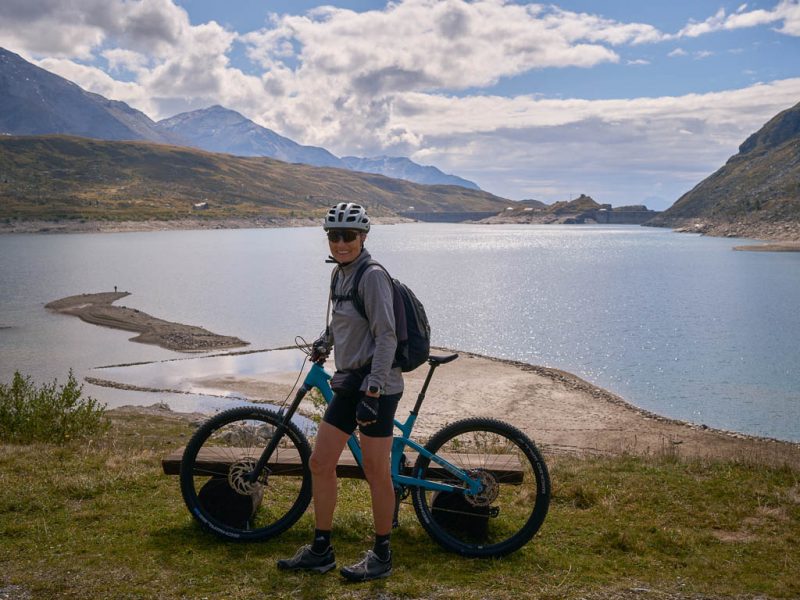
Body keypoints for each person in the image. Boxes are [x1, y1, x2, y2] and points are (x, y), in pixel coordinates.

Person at [277, 202, 403, 582]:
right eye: (334, 236)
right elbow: (343, 320)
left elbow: (387, 337)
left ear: (362, 237)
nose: (341, 243)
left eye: (348, 236)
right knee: (320, 463)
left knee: (375, 470)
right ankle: (321, 550)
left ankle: (382, 555)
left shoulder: (372, 276)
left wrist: (374, 391)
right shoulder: (339, 275)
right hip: (350, 383)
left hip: (376, 387)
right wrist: (325, 341)